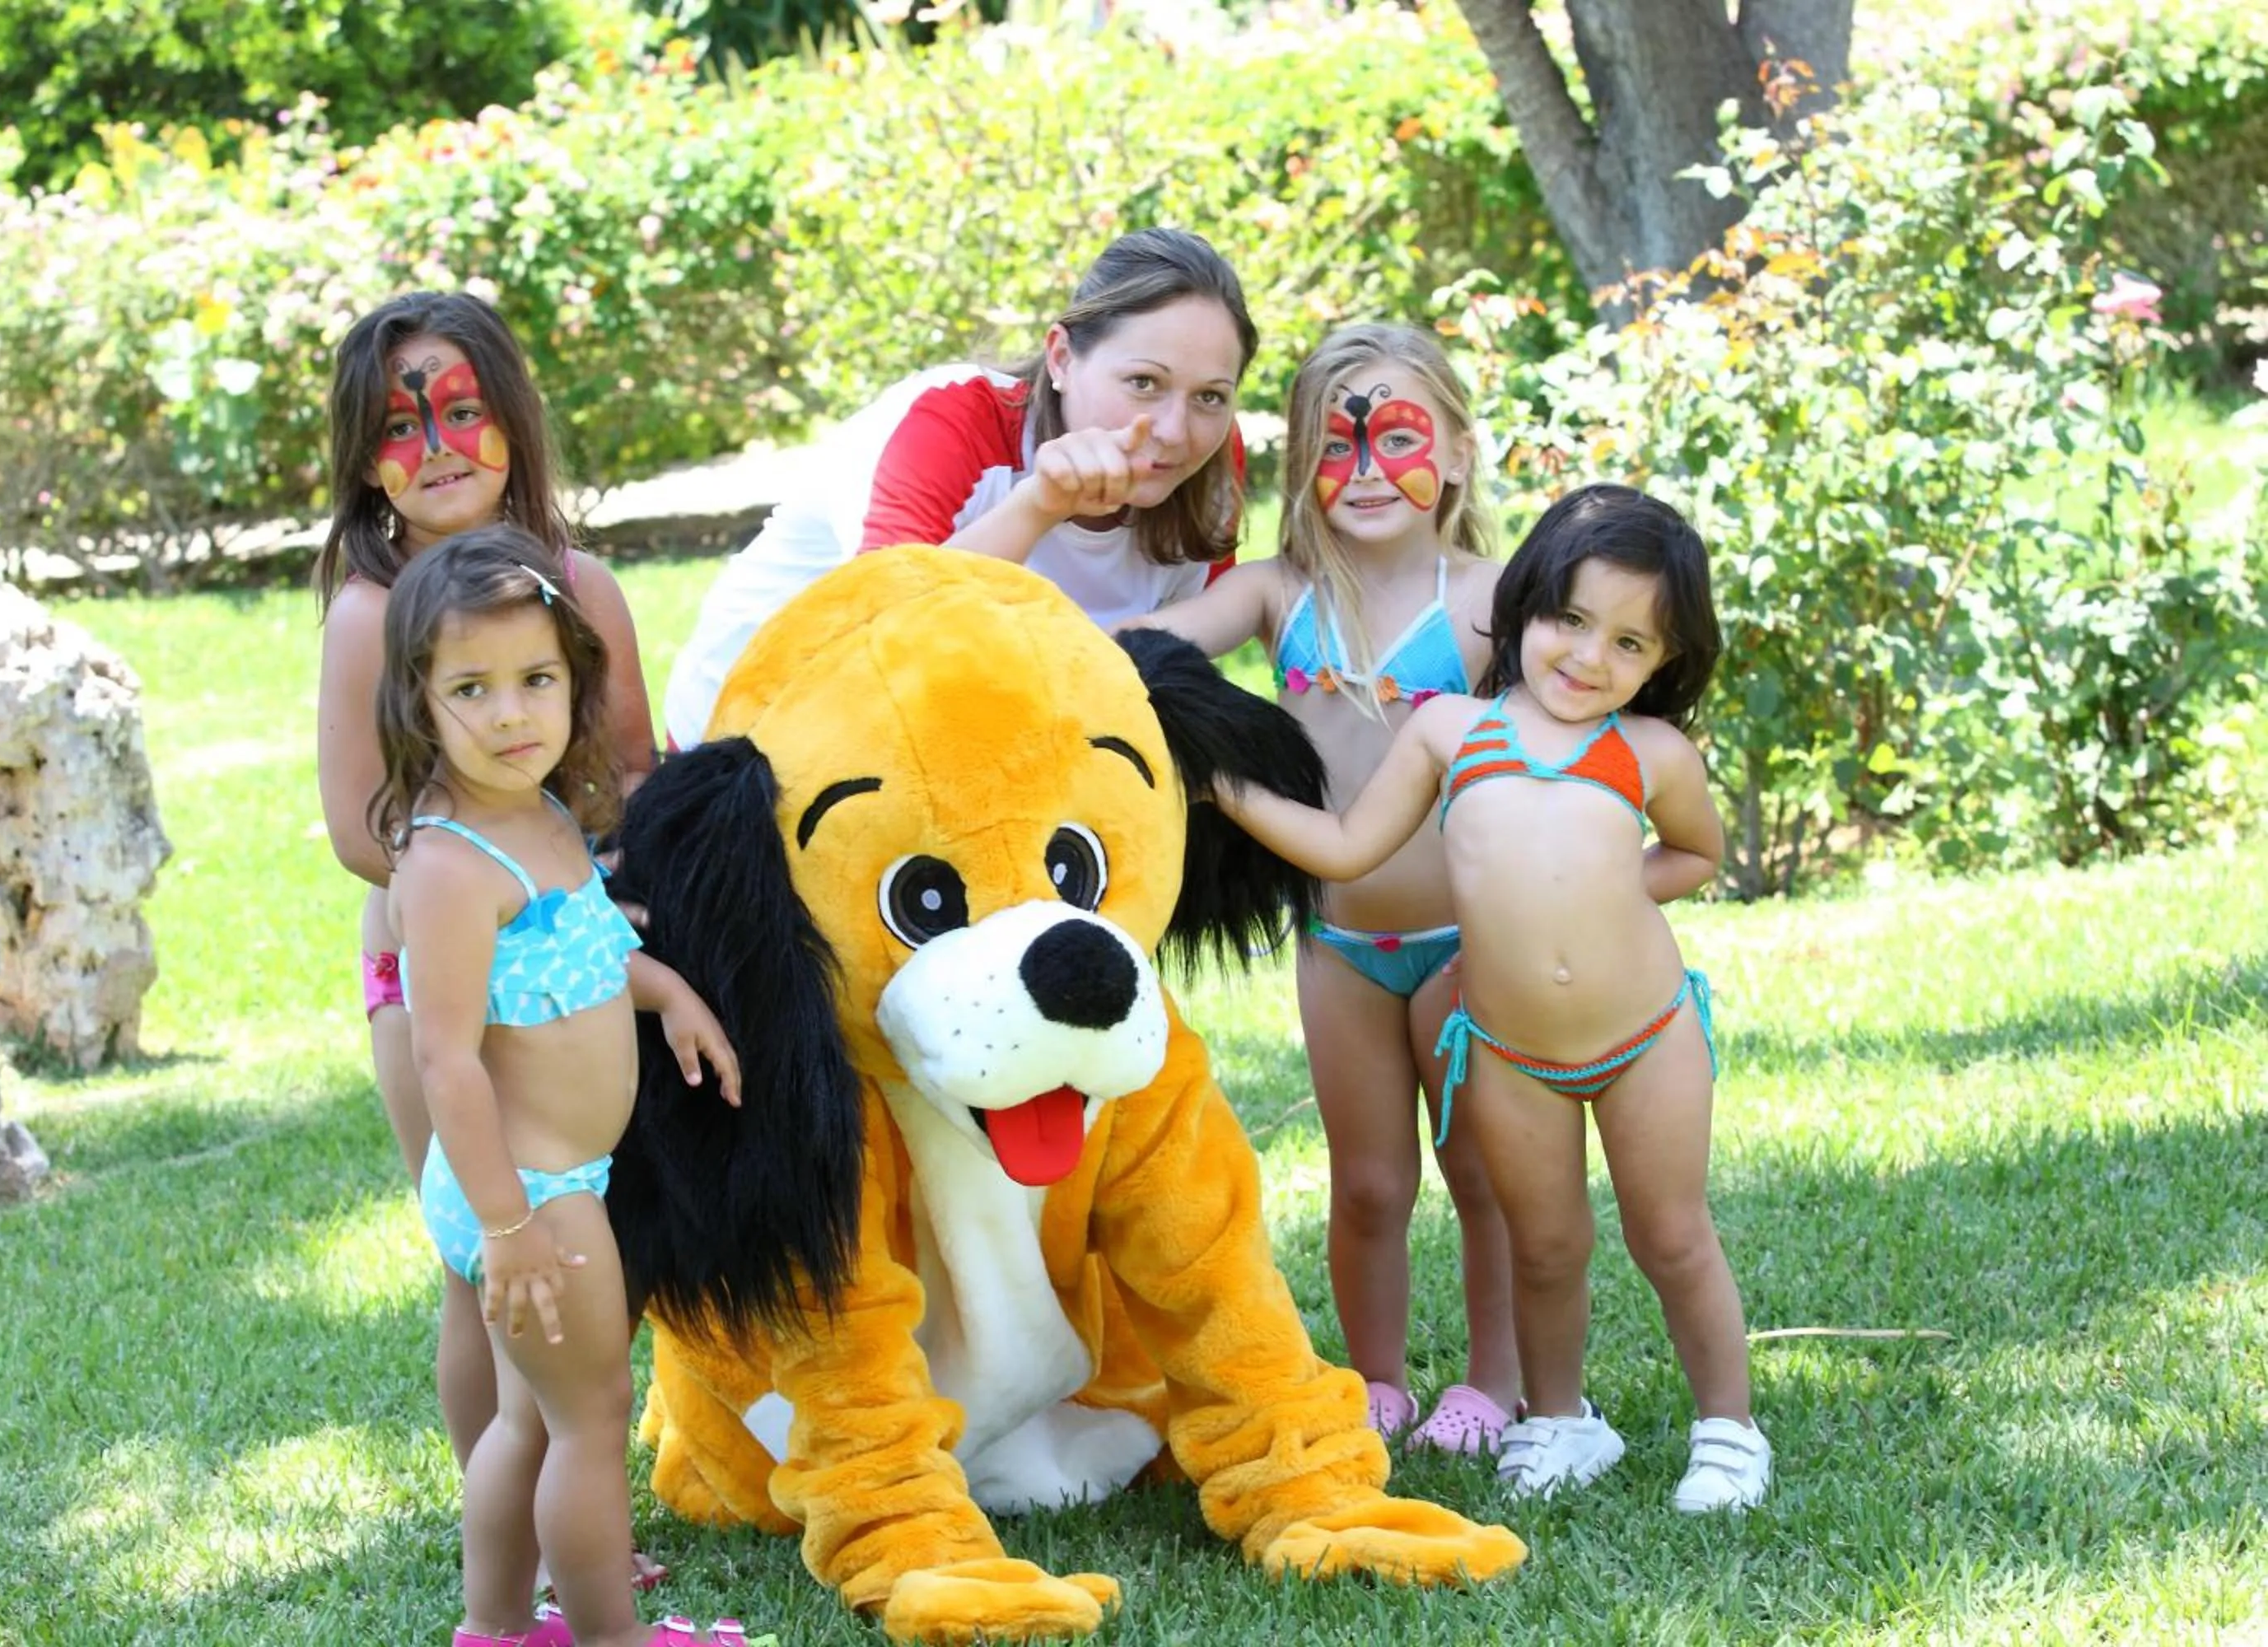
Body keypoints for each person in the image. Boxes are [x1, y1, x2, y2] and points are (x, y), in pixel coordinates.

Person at [1209, 484, 1771, 1512]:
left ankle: (1729, 1428)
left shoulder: (1649, 752)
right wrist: (1223, 785)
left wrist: (1603, 897)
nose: (1589, 656)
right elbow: (1345, 846)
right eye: (1571, 619)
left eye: (1629, 643)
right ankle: (1560, 1417)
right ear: (1526, 604)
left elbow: (1695, 853)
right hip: (1510, 1051)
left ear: (1664, 660)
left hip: (1646, 1037)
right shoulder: (1450, 732)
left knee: (1671, 1233)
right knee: (1544, 1243)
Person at [310, 292, 665, 1590]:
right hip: (438, 984)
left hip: (577, 963)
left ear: (513, 419)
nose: (439, 446)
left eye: (462, 410)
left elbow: (631, 767)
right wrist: (490, 857)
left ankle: (578, 1516)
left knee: (577, 1242)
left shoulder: (579, 588)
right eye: (401, 426)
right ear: (364, 461)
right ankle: (517, 1556)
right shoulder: (371, 614)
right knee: (481, 1264)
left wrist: (592, 882)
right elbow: (360, 829)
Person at [1129, 322, 1520, 1456]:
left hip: (1466, 942)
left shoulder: (1494, 599)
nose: (1365, 471)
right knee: (1369, 1184)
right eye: (1334, 449)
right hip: (1338, 946)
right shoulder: (1276, 594)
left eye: (1396, 437)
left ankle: (1496, 1383)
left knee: (1483, 1175)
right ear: (1302, 468)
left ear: (1456, 452)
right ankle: (1377, 1380)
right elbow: (1131, 646)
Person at [375, 527, 750, 1646]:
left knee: (530, 1421)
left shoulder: (536, 813)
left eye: (535, 679)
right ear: (418, 699)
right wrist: (509, 1228)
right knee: (589, 1417)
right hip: (528, 1191)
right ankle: (610, 1636)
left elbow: (581, 958)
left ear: (574, 678)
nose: (510, 714)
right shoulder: (451, 865)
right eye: (471, 689)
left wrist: (665, 993)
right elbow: (445, 1059)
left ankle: (495, 1629)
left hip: (538, 1185)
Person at [661, 226, 1258, 748]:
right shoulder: (949, 420)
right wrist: (1040, 505)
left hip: (1004, 735)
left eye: (1211, 396)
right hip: (758, 736)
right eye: (1144, 383)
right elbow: (889, 634)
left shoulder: (1208, 462)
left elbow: (1181, 658)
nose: (1175, 431)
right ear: (1061, 358)